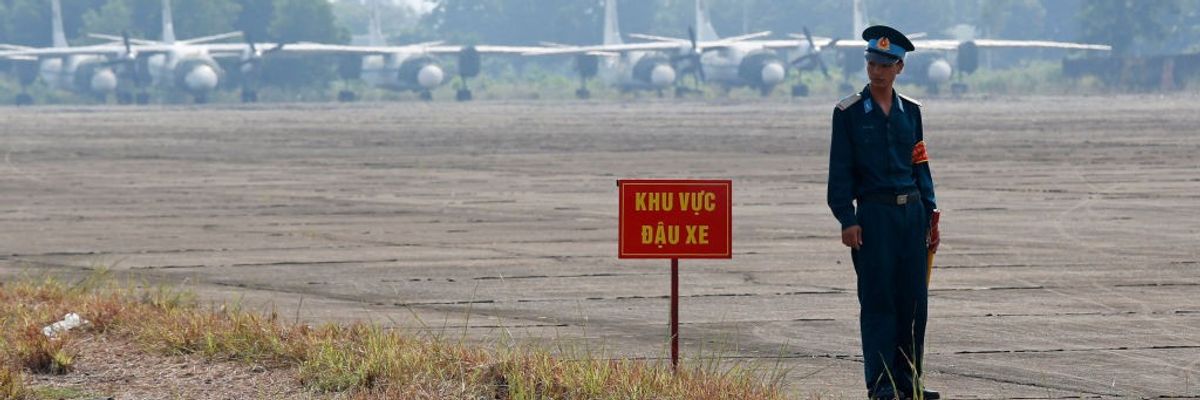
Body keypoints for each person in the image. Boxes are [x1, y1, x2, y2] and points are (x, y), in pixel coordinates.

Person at [826, 25, 941, 400]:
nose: (877, 71)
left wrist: (931, 211)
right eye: (872, 62)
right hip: (873, 218)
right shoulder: (848, 113)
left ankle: (910, 383)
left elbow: (920, 163)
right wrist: (847, 218)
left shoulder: (912, 112)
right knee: (879, 303)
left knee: (913, 304)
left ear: (899, 69)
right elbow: (840, 170)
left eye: (885, 65)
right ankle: (882, 386)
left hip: (911, 217)